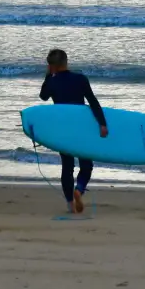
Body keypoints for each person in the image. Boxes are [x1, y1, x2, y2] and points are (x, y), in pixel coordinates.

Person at [39, 48, 108, 213]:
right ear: (66, 62)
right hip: (81, 128)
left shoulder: (52, 82)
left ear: (51, 66)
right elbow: (93, 102)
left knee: (67, 166)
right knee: (86, 165)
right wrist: (102, 124)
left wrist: (49, 75)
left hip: (62, 129)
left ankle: (70, 203)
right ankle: (79, 189)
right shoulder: (80, 79)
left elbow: (43, 96)